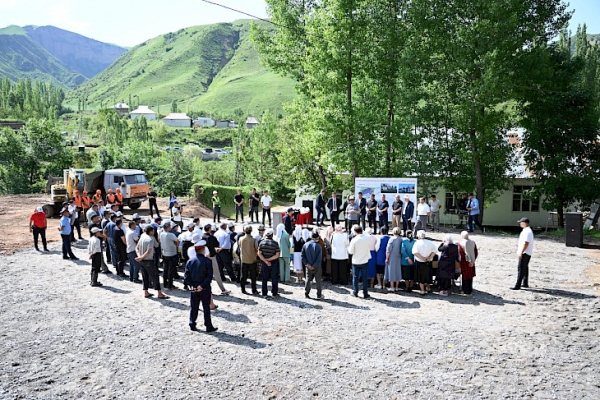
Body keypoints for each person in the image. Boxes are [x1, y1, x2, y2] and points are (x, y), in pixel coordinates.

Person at [184, 238, 218, 333]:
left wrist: (191, 286)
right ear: (203, 250)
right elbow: (209, 276)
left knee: (194, 307)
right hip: (204, 288)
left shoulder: (190, 262)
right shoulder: (207, 261)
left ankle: (192, 323)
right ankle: (208, 325)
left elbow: (187, 276)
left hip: (194, 288)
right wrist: (202, 286)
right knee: (206, 308)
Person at [135, 225, 169, 299]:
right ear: (150, 232)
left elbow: (137, 247)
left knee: (145, 276)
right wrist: (142, 257)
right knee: (155, 276)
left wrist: (139, 256)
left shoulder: (142, 236)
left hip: (141, 260)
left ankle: (146, 292)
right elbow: (149, 250)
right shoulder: (151, 238)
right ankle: (159, 293)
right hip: (148, 260)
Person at [202, 224, 231, 295]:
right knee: (216, 274)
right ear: (209, 229)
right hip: (212, 257)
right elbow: (217, 244)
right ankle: (223, 289)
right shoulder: (211, 237)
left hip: (204, 256)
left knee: (205, 274)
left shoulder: (202, 237)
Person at [348, 225, 372, 299]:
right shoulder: (367, 238)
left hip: (356, 260)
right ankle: (365, 293)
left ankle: (355, 292)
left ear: (355, 232)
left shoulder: (354, 240)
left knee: (355, 277)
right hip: (365, 259)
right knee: (364, 277)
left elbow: (350, 251)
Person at [511, 217, 534, 290]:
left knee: (521, 268)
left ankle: (518, 285)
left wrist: (521, 252)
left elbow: (526, 243)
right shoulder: (526, 230)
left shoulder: (527, 231)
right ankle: (525, 283)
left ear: (524, 223)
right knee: (525, 268)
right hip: (526, 252)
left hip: (525, 252)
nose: (520, 224)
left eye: (521, 222)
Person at [412, 230, 437, 295]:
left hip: (420, 261)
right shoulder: (430, 242)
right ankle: (428, 288)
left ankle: (422, 290)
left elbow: (415, 252)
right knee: (428, 275)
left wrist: (422, 258)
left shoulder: (417, 243)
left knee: (420, 277)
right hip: (428, 261)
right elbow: (435, 251)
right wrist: (429, 257)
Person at [258, 228, 280, 297]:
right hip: (274, 263)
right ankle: (274, 292)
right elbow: (277, 255)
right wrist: (269, 259)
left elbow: (259, 253)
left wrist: (265, 261)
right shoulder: (275, 243)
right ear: (272, 235)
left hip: (264, 263)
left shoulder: (262, 243)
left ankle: (264, 293)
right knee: (274, 278)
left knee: (264, 278)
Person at [302, 230, 324, 299]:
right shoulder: (319, 246)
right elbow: (319, 258)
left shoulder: (305, 245)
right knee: (318, 280)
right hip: (317, 266)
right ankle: (319, 294)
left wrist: (307, 264)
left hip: (308, 265)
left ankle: (306, 293)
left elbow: (302, 256)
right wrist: (314, 265)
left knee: (308, 279)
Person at [239, 225, 259, 294]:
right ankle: (254, 289)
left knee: (243, 275)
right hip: (252, 260)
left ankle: (243, 289)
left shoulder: (241, 239)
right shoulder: (253, 240)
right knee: (253, 276)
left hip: (244, 259)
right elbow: (256, 249)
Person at [160, 221, 180, 290]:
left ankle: (165, 283)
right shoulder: (171, 235)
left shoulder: (161, 234)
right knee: (171, 270)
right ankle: (170, 285)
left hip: (164, 253)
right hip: (172, 254)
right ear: (168, 227)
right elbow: (177, 242)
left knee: (165, 269)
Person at [458, 231, 478, 296]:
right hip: (472, 261)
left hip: (465, 262)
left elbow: (461, 254)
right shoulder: (473, 242)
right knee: (470, 276)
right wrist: (473, 261)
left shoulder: (461, 243)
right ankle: (470, 290)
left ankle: (465, 290)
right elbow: (476, 252)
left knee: (465, 276)